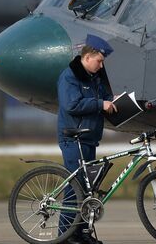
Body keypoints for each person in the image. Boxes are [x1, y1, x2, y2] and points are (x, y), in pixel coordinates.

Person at [57, 34, 116, 244]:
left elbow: (104, 97)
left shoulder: (94, 78)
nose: (101, 66)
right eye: (99, 61)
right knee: (75, 189)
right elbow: (71, 105)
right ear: (88, 56)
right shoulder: (69, 77)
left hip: (89, 140)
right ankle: (65, 236)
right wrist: (100, 105)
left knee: (87, 191)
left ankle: (81, 233)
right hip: (73, 139)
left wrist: (113, 101)